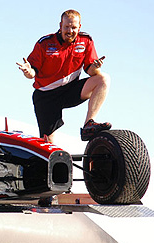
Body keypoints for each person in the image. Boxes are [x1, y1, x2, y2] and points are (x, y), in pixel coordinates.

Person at [16, 9, 111, 143]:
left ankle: (88, 125)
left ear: (79, 27)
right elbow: (32, 73)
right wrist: (28, 71)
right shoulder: (45, 43)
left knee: (103, 79)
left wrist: (95, 68)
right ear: (60, 25)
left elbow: (90, 71)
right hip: (46, 95)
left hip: (70, 90)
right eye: (66, 27)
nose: (70, 31)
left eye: (73, 27)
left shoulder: (86, 41)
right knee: (48, 143)